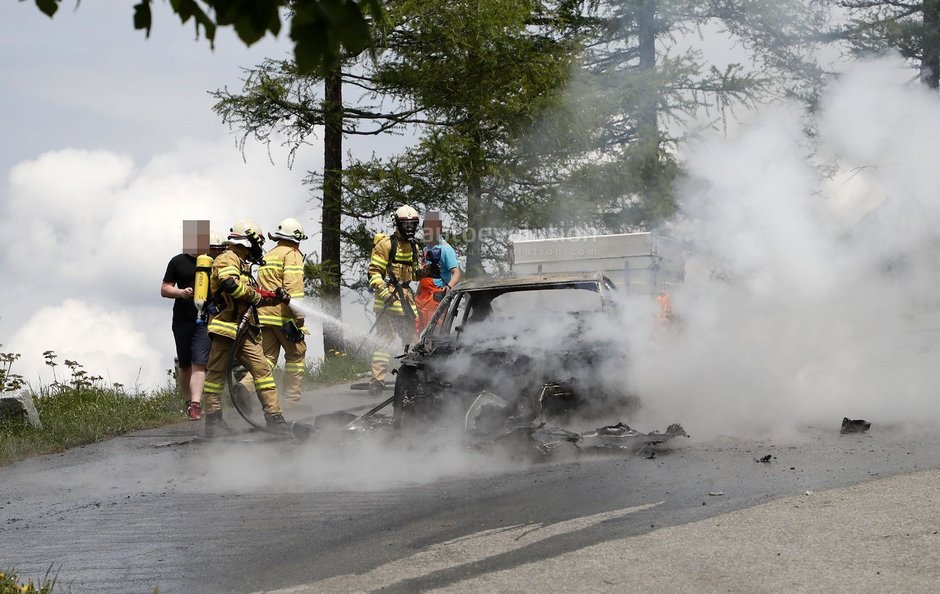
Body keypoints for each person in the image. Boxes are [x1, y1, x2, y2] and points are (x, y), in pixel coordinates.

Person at [202, 219, 290, 436]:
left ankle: (274, 418)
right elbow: (230, 285)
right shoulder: (227, 258)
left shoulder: (243, 265)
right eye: (257, 242)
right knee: (216, 376)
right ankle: (213, 421)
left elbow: (253, 297)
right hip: (225, 328)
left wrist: (274, 297)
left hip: (245, 330)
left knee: (262, 371)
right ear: (248, 241)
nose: (260, 247)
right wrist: (257, 296)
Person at [161, 221, 222, 421]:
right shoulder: (177, 261)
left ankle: (196, 404)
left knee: (199, 363)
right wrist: (180, 292)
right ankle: (189, 402)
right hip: (181, 320)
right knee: (185, 364)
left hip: (205, 320)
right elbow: (164, 288)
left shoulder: (214, 262)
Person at [250, 217, 309, 406]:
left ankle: (245, 386)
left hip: (264, 315)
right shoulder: (292, 254)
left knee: (266, 359)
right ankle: (291, 400)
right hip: (284, 316)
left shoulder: (269, 254)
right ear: (295, 238)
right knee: (297, 354)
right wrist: (299, 316)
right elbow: (294, 288)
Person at [367, 205, 420, 396]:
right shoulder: (386, 245)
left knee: (412, 341)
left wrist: (430, 271)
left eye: (413, 224)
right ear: (397, 223)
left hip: (404, 301)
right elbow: (373, 273)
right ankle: (377, 382)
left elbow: (414, 275)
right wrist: (384, 293)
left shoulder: (414, 246)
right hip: (387, 303)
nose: (409, 228)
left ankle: (410, 378)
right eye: (405, 224)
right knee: (384, 342)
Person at [415, 211, 462, 334]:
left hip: (437, 295)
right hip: (422, 297)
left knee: (433, 331)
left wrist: (448, 287)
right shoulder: (426, 249)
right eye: (426, 230)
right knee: (418, 330)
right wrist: (417, 293)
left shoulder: (446, 249)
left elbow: (456, 273)